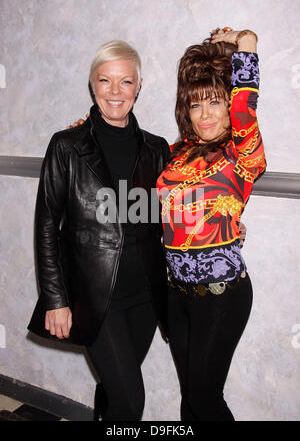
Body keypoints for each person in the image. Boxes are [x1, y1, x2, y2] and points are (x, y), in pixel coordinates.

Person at [27, 40, 169, 421]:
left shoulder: (157, 149)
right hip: (95, 298)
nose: (115, 91)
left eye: (125, 82)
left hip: (145, 299)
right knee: (131, 402)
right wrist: (56, 299)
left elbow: (172, 215)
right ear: (93, 85)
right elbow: (46, 226)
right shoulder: (67, 146)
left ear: (138, 86)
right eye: (105, 81)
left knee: (114, 388)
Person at [156, 28, 266, 421]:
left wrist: (245, 40)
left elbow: (243, 109)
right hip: (174, 294)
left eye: (214, 102)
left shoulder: (243, 152)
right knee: (191, 401)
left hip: (222, 296)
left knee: (205, 400)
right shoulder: (174, 154)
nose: (204, 115)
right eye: (195, 104)